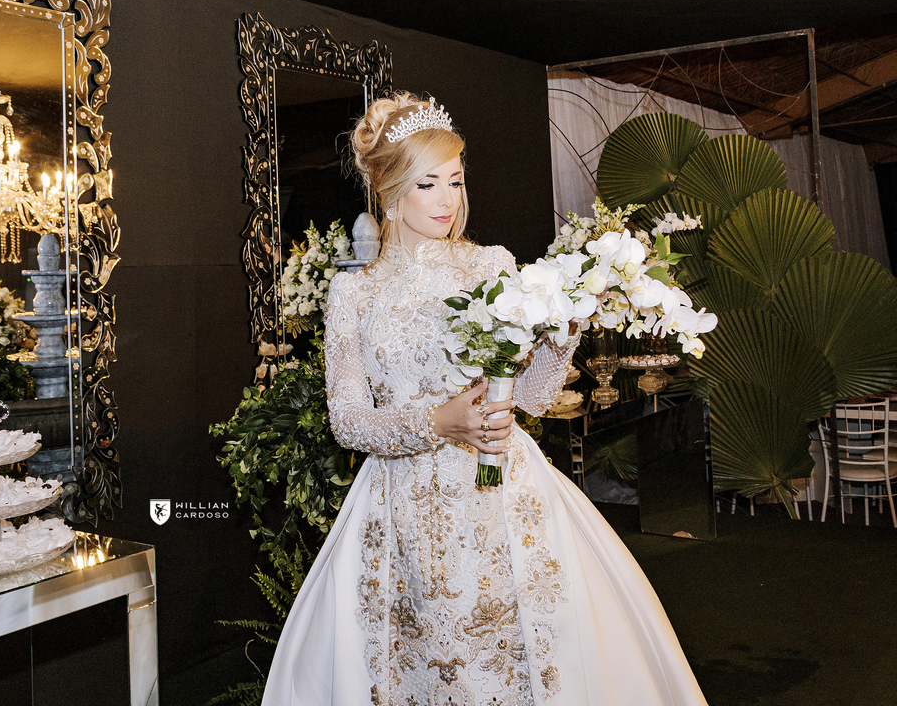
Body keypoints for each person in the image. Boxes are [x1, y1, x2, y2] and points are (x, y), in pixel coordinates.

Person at [261, 93, 709, 706]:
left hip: (502, 497)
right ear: (389, 189)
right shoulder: (353, 296)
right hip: (403, 512)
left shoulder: (492, 265)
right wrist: (438, 420)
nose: (448, 200)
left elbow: (528, 395)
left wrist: (564, 333)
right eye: (428, 184)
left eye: (456, 180)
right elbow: (348, 423)